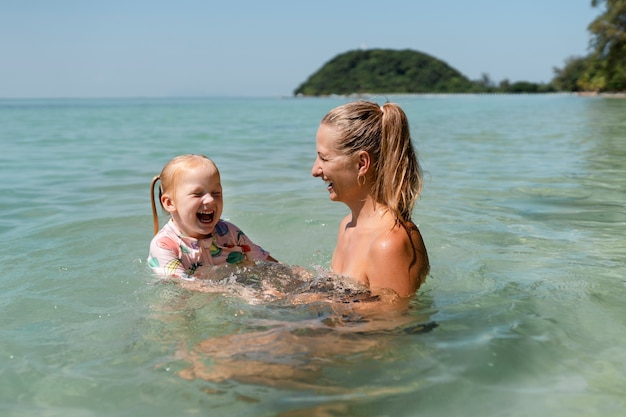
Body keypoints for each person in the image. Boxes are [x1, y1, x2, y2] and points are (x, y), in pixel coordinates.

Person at [311, 100, 429, 298]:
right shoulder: (347, 225)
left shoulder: (389, 243)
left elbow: (392, 324)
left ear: (362, 163)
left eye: (324, 158)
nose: (315, 170)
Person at [148, 154, 277, 279]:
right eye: (197, 194)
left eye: (216, 193)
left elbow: (268, 264)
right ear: (170, 203)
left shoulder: (229, 233)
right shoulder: (164, 245)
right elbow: (185, 285)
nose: (210, 200)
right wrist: (243, 293)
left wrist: (294, 278)